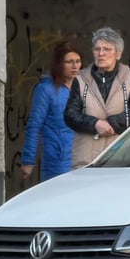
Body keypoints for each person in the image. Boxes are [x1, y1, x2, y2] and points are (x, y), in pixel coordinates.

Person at [64, 27, 130, 168]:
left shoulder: (129, 79)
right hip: (85, 160)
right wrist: (95, 123)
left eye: (106, 49)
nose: (101, 54)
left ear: (118, 54)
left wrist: (112, 122)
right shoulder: (80, 79)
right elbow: (70, 115)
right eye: (97, 49)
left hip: (118, 158)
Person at [19, 40, 82, 181]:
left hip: (83, 159)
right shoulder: (46, 89)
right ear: (59, 64)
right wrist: (28, 160)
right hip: (57, 162)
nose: (75, 66)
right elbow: (34, 126)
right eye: (69, 62)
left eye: (77, 61)